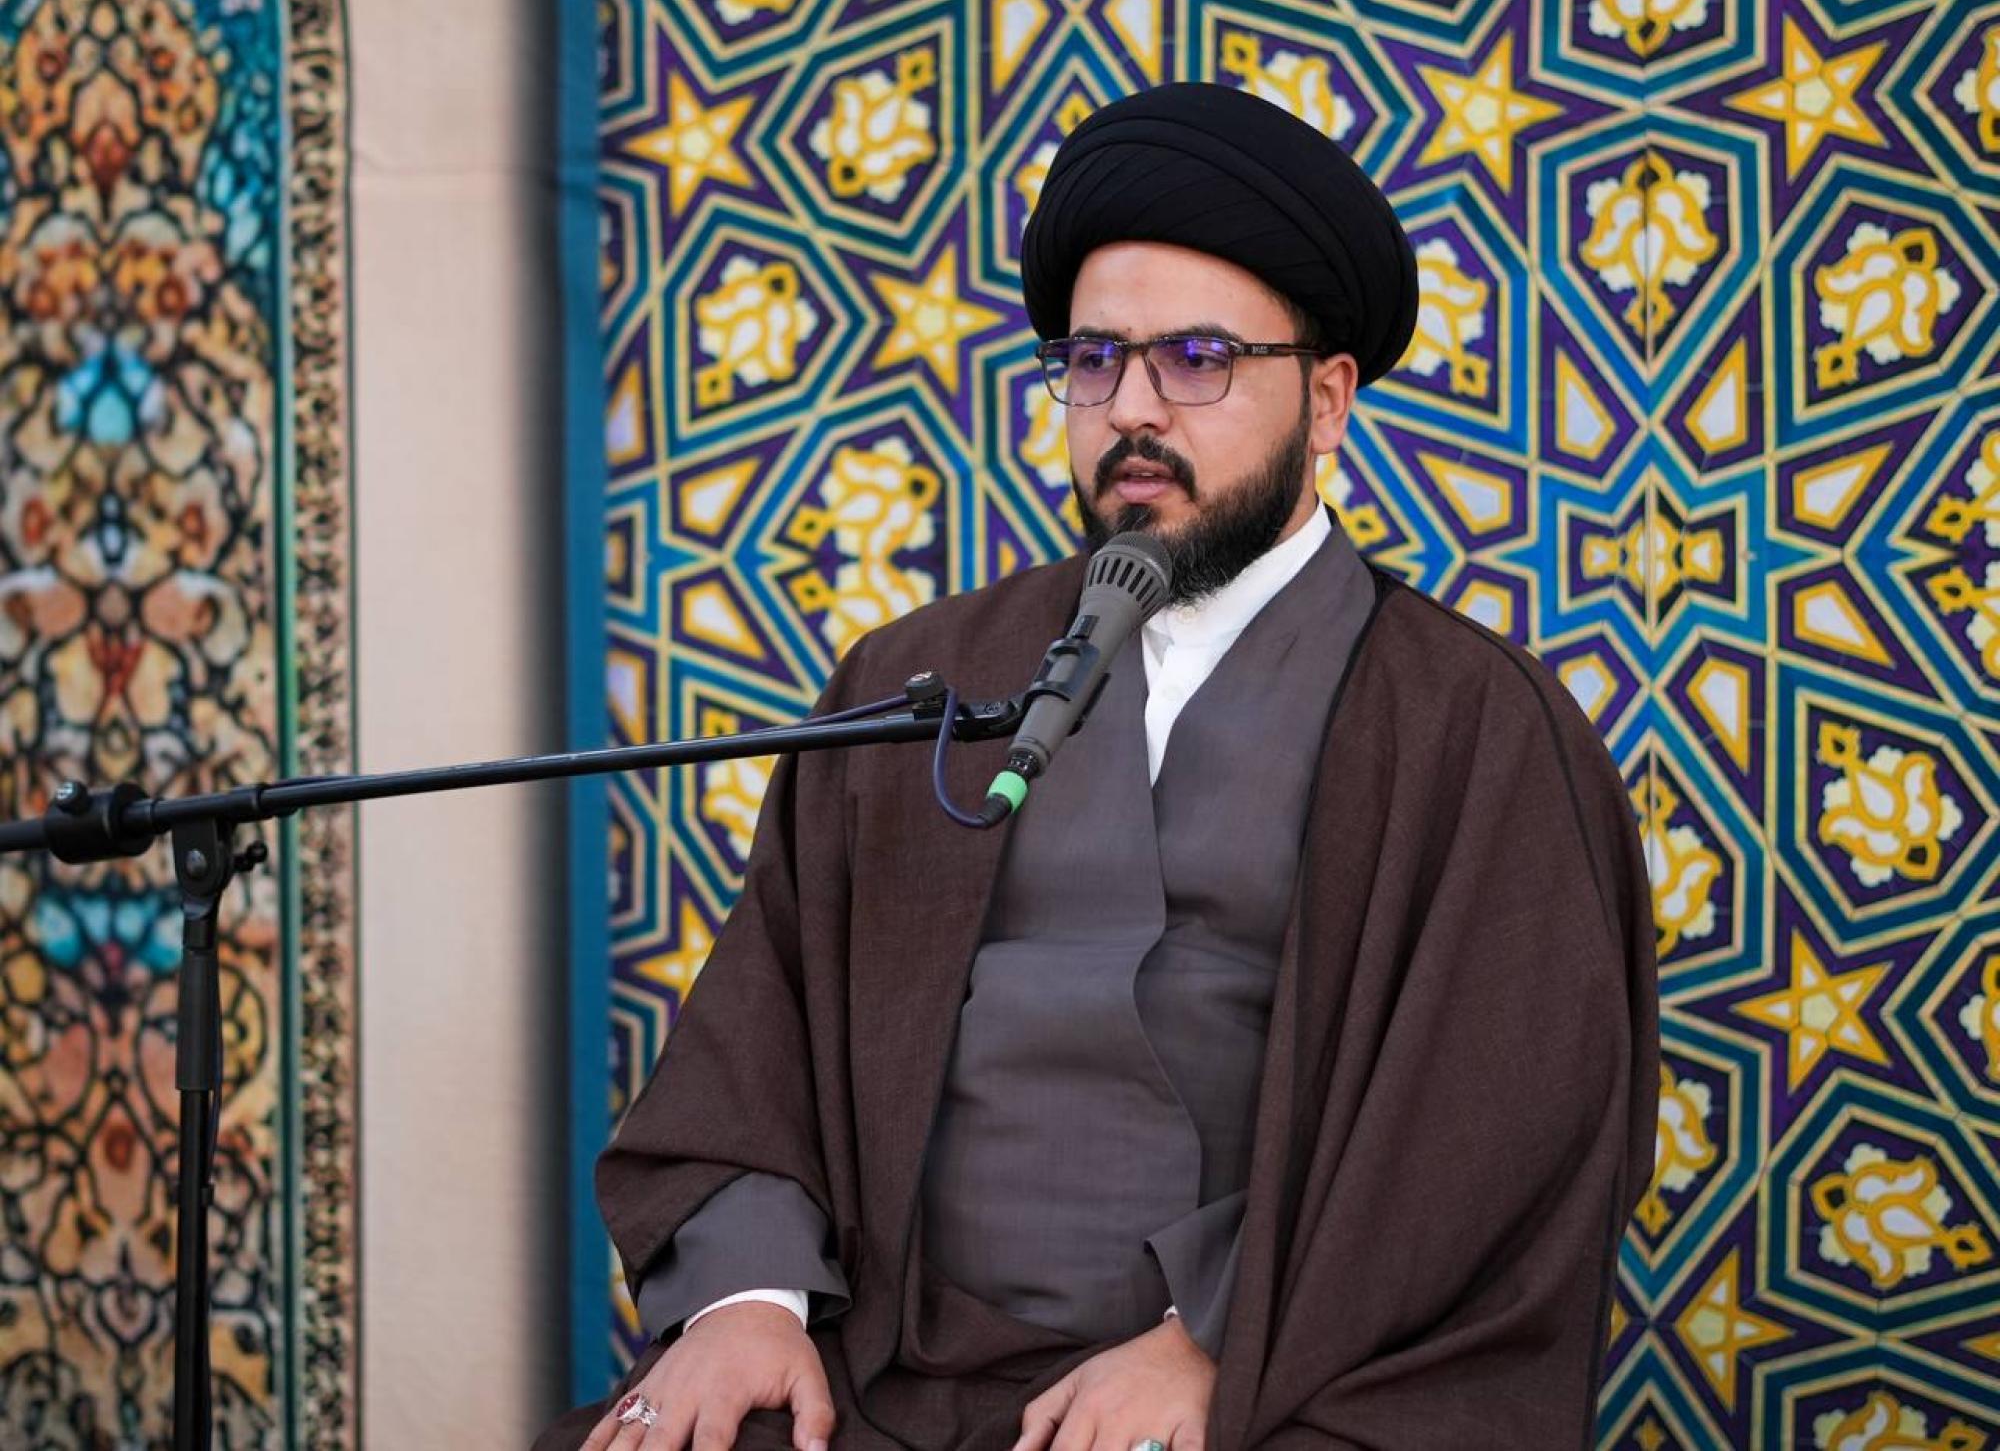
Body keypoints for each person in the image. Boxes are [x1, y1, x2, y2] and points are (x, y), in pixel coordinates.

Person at [539, 82, 1658, 1451]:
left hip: (1277, 1379)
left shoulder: (1469, 724)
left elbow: (1501, 1126)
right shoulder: (924, 677)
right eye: (1092, 361)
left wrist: (1218, 1342)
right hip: (892, 1370)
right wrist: (748, 1302)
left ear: (1326, 401)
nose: (1131, 410)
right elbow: (759, 1033)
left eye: (1196, 358)